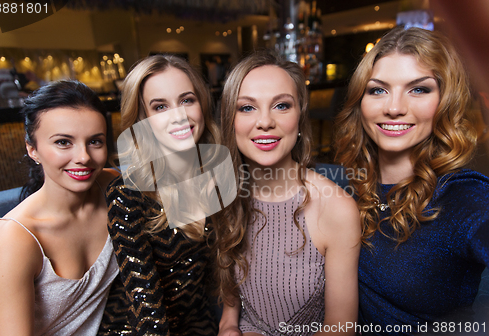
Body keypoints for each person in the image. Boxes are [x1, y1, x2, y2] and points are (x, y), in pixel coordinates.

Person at [333, 26, 489, 335]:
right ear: (359, 102)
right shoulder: (348, 186)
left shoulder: (462, 198)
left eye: (419, 89)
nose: (394, 108)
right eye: (378, 89)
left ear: (446, 101)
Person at [215, 50, 360, 336]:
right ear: (230, 121)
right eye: (247, 108)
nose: (265, 122)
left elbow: (340, 330)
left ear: (299, 117)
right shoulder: (226, 194)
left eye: (281, 106)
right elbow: (231, 310)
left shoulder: (337, 209)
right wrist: (229, 327)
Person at [0, 80, 119, 335]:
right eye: (63, 142)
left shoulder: (111, 186)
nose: (83, 156)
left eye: (95, 141)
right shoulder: (15, 238)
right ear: (32, 149)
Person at [104, 55, 220, 335]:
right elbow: (147, 307)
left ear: (202, 104)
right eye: (160, 107)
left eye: (187, 100)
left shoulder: (218, 176)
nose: (178, 115)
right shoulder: (127, 194)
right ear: (143, 120)